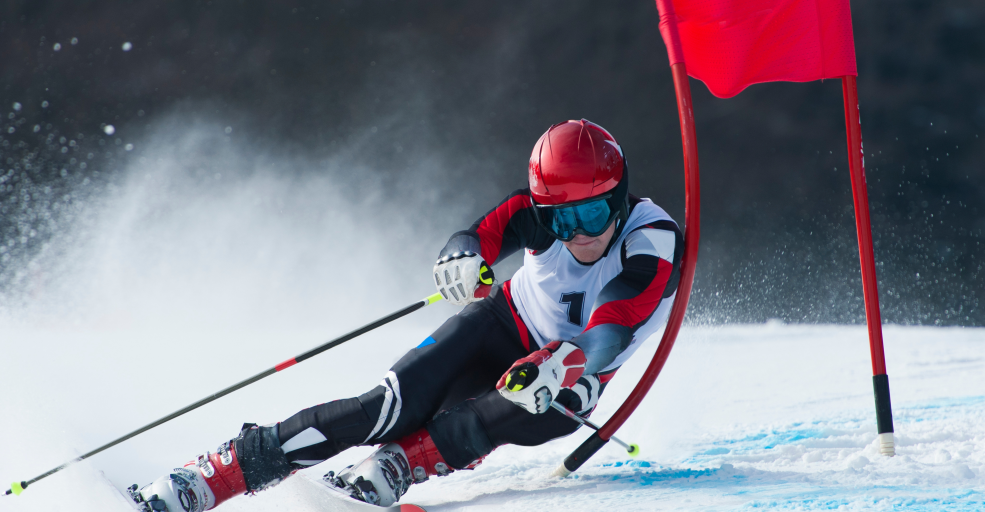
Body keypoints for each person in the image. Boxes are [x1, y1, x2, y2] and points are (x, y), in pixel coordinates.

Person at [130, 119, 683, 511]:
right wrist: (462, 259)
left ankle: (398, 468)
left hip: (572, 378)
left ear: (620, 196)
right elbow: (476, 238)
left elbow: (613, 324)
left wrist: (564, 361)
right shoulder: (539, 214)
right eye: (561, 222)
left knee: (501, 409)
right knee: (388, 406)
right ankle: (217, 474)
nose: (580, 234)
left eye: (592, 214)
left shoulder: (651, 240)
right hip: (500, 324)